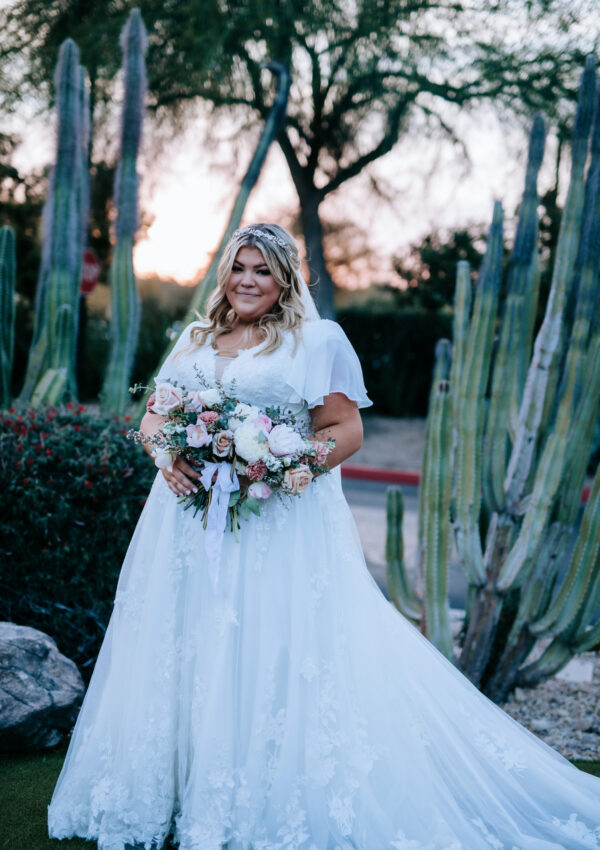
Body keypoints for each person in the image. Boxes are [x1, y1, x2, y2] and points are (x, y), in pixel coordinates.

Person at [48, 223, 600, 850]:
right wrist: (163, 453)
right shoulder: (200, 338)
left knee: (269, 645)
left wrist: (286, 468)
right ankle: (184, 790)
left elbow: (345, 430)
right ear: (224, 274)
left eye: (262, 270)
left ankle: (261, 795)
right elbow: (153, 415)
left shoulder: (315, 341)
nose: (248, 281)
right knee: (191, 643)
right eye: (239, 268)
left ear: (285, 277)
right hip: (187, 525)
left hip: (276, 526)